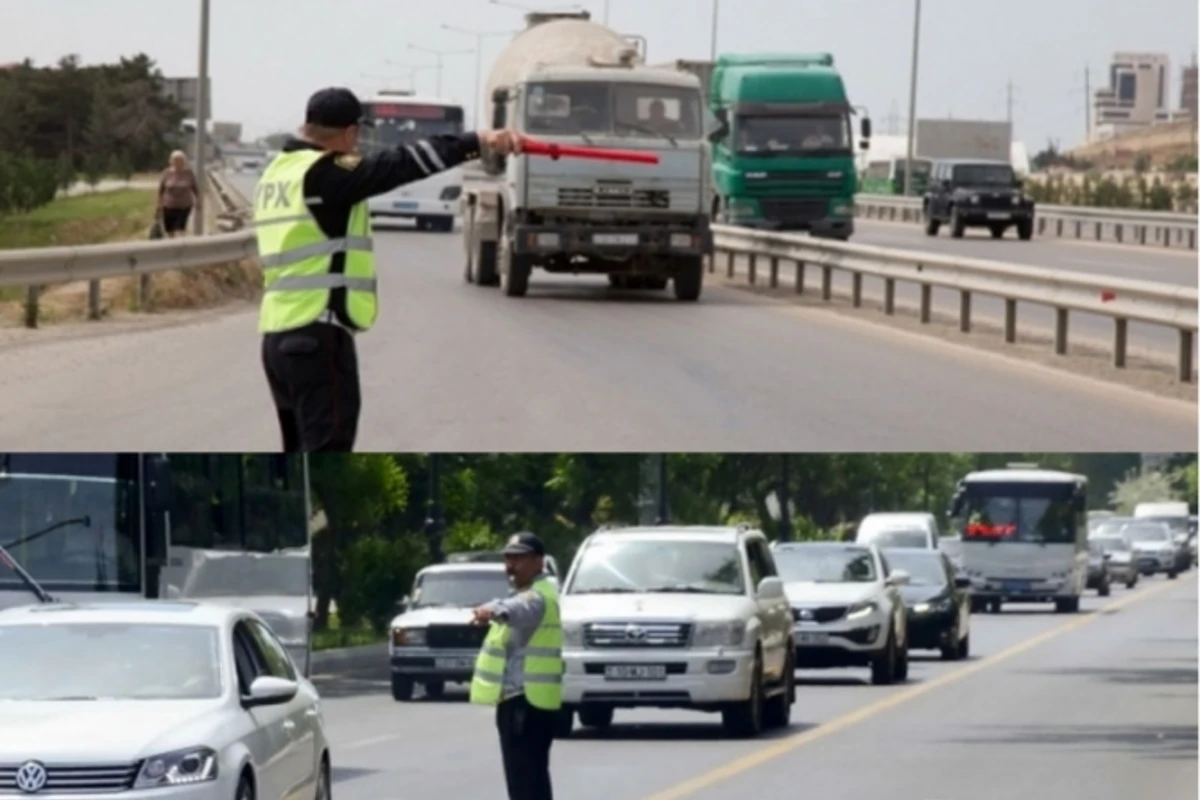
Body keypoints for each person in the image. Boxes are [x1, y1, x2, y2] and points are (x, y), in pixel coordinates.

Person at [253, 86, 524, 452]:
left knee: (301, 453)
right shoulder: (325, 173)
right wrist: (478, 140)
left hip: (276, 339)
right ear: (349, 133)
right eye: (357, 137)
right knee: (329, 453)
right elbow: (402, 163)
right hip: (317, 334)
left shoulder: (276, 173)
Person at [469, 533, 563, 800]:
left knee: (525, 783)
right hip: (528, 702)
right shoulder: (535, 592)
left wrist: (492, 610)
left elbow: (517, 608)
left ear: (538, 562)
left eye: (519, 558)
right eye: (508, 558)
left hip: (524, 703)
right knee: (531, 781)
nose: (511, 564)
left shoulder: (536, 597)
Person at [158, 150, 200, 238]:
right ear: (171, 161)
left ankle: (179, 247)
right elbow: (161, 190)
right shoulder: (166, 173)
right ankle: (172, 247)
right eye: (175, 160)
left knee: (179, 229)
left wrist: (198, 200)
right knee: (170, 230)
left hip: (184, 205)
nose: (178, 162)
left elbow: (195, 188)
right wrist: (159, 204)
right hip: (168, 206)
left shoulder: (189, 173)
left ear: (184, 161)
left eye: (180, 160)